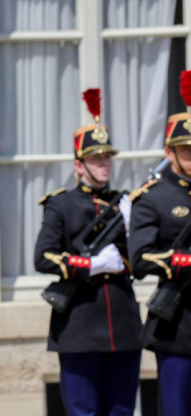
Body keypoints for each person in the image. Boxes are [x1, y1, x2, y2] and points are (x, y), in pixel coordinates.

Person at [33, 88, 142, 415]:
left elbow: (142, 257)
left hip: (122, 324)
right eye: (96, 158)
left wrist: (134, 223)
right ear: (79, 165)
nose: (104, 164)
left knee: (121, 411)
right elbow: (44, 257)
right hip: (79, 325)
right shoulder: (61, 204)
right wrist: (91, 264)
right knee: (83, 410)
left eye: (107, 157)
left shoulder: (125, 203)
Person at [129, 70, 191, 416]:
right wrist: (184, 261)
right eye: (186, 150)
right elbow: (139, 259)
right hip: (180, 323)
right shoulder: (152, 198)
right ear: (169, 152)